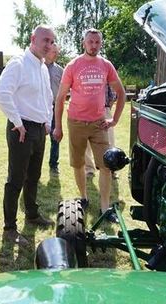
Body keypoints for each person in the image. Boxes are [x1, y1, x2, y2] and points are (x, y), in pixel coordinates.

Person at [53, 28, 126, 223]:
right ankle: (84, 198)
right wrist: (58, 127)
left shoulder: (106, 65)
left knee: (106, 166)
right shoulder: (73, 65)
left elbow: (121, 92)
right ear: (84, 43)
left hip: (99, 124)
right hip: (76, 122)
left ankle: (104, 207)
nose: (93, 45)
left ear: (100, 43)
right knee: (78, 164)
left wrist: (115, 120)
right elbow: (60, 97)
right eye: (90, 42)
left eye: (97, 42)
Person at [0, 25, 55, 246]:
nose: (48, 45)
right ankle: (10, 228)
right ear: (33, 39)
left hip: (39, 130)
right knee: (16, 179)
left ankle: (32, 214)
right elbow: (0, 94)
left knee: (34, 176)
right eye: (45, 40)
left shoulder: (42, 68)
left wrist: (47, 122)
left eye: (51, 41)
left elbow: (47, 97)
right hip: (21, 130)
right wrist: (18, 123)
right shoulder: (18, 63)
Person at [85, 85, 117, 179]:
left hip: (104, 109)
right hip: (87, 109)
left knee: (109, 141)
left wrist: (107, 109)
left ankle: (111, 169)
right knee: (86, 141)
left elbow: (113, 96)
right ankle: (89, 169)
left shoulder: (106, 72)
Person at [45, 44, 64, 176]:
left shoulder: (60, 71)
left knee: (55, 137)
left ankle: (54, 165)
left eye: (57, 52)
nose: (56, 54)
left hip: (54, 108)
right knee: (38, 138)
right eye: (54, 52)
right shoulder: (38, 67)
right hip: (40, 108)